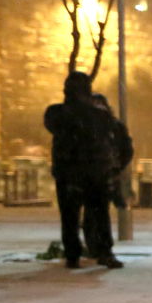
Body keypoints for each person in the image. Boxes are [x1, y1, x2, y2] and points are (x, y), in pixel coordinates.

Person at [42, 71, 123, 269]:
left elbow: (54, 126)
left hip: (68, 174)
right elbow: (110, 131)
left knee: (69, 217)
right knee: (99, 215)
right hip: (94, 173)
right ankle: (104, 252)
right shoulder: (98, 115)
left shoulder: (56, 113)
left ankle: (73, 255)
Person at [83, 93, 133, 259]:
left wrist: (117, 166)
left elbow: (126, 149)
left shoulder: (112, 127)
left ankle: (100, 248)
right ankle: (97, 248)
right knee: (94, 213)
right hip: (96, 175)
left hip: (103, 175)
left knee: (97, 212)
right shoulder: (96, 126)